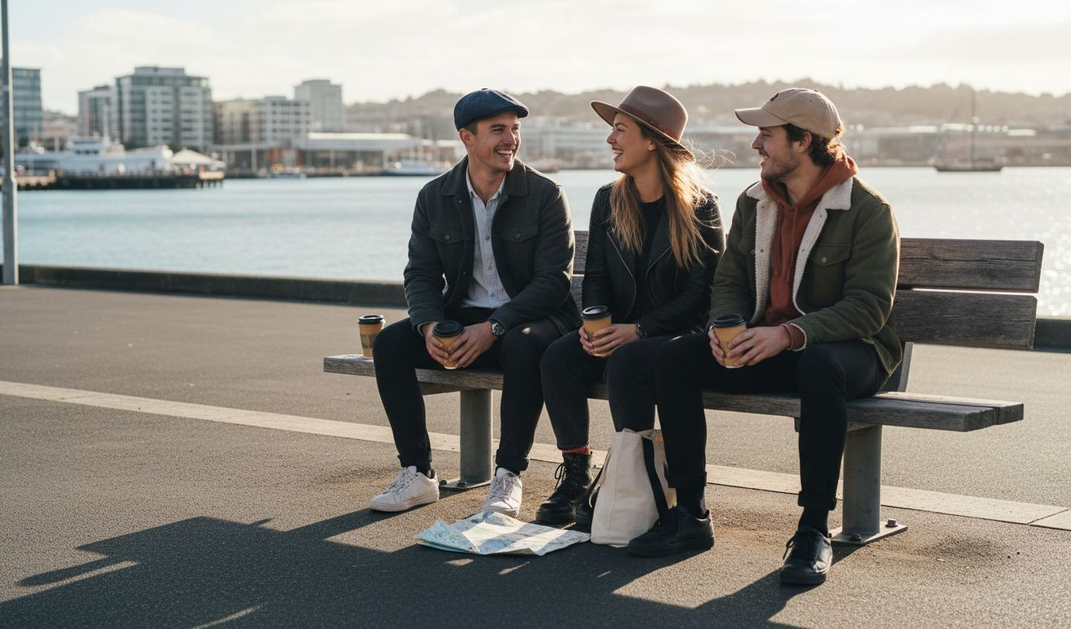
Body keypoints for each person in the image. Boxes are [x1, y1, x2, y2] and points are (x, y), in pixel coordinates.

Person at [624, 89, 901, 586]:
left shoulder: (867, 210)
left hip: (853, 353)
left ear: (803, 142)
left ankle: (814, 528)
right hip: (770, 345)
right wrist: (723, 330)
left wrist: (790, 334)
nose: (756, 145)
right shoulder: (753, 202)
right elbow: (728, 281)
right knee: (673, 359)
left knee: (820, 366)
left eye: (767, 135)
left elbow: (869, 309)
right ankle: (690, 513)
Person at [366, 89, 577, 517]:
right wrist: (428, 326)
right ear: (467, 137)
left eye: (515, 129)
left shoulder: (545, 194)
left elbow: (553, 282)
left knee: (522, 343)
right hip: (465, 319)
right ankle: (418, 473)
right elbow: (421, 274)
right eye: (498, 130)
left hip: (533, 319)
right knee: (390, 344)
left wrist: (493, 327)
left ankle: (508, 475)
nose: (510, 140)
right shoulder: (434, 196)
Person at [533, 86, 725, 526]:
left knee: (628, 361)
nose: (610, 140)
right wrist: (594, 322)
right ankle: (577, 475)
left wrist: (639, 330)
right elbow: (596, 277)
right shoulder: (608, 198)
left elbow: (701, 296)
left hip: (671, 339)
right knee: (559, 356)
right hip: (620, 334)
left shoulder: (700, 208)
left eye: (620, 130)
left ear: (653, 140)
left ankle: (635, 482)